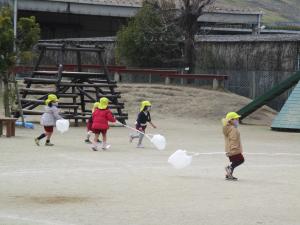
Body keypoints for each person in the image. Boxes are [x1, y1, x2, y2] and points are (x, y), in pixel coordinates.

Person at [222, 112, 245, 180]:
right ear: (231, 120)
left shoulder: (228, 128)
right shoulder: (233, 129)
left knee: (236, 160)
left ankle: (229, 174)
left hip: (229, 148)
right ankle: (229, 168)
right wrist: (234, 148)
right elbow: (233, 139)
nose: (237, 121)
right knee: (240, 160)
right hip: (233, 148)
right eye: (236, 119)